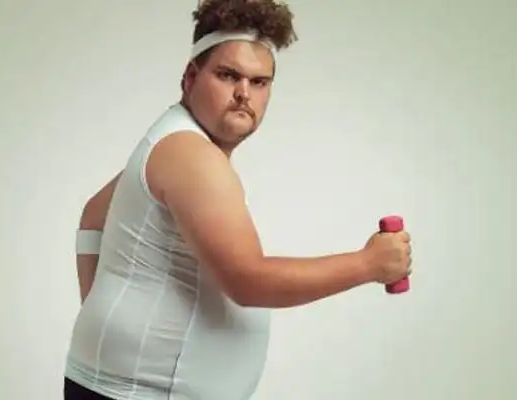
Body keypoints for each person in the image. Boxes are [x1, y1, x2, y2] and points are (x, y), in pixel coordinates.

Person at [63, 0, 413, 399]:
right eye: (228, 75)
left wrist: (105, 323)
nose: (244, 94)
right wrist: (369, 264)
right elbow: (247, 281)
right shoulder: (191, 156)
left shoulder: (171, 141)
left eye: (259, 82)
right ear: (190, 77)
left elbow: (93, 216)